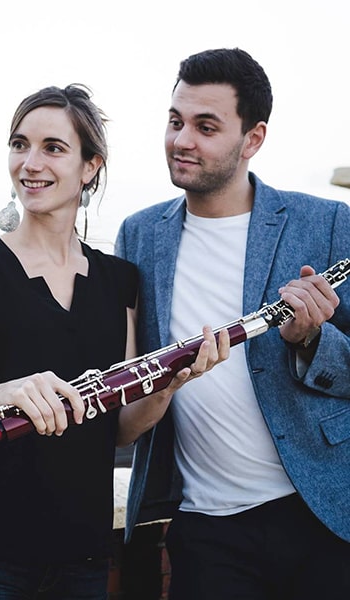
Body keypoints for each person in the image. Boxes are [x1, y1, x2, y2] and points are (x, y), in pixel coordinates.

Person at [0, 83, 229, 599]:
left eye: (53, 148)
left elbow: (118, 430)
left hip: (86, 553)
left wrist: (169, 384)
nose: (30, 163)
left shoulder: (121, 281)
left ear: (90, 166)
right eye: (20, 144)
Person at [116, 47, 350, 600]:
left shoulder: (330, 224)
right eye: (175, 121)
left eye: (206, 126)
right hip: (204, 525)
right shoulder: (139, 235)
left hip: (322, 511)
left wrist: (313, 340)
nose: (181, 140)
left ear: (253, 139)